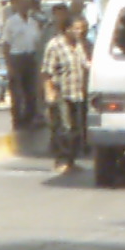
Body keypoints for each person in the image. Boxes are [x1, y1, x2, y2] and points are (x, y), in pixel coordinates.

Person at [41, 14, 91, 174]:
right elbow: (46, 72)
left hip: (77, 93)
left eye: (81, 29)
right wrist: (49, 92)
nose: (79, 32)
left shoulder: (79, 45)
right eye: (76, 29)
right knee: (64, 128)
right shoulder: (54, 45)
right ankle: (61, 160)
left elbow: (85, 64)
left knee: (76, 129)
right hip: (61, 92)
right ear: (67, 29)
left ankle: (71, 161)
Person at [2, 0, 45, 130]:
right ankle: (18, 121)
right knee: (17, 93)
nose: (25, 7)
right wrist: (9, 65)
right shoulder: (11, 22)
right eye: (22, 4)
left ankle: (30, 119)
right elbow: (6, 44)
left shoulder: (33, 22)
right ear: (17, 5)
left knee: (31, 92)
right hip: (17, 58)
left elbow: (38, 42)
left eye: (27, 4)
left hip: (31, 58)